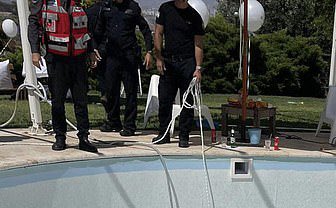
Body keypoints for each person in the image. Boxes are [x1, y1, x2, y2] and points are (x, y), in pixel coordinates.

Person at [28, 0, 100, 153]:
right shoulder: (45, 2)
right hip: (56, 58)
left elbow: (87, 29)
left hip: (78, 58)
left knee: (81, 99)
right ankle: (60, 136)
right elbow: (34, 24)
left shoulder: (79, 3)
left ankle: (83, 137)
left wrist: (92, 50)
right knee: (58, 100)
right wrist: (35, 50)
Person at [95, 0, 153, 135]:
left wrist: (149, 51)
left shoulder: (132, 7)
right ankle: (113, 121)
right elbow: (98, 30)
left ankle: (129, 125)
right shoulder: (106, 7)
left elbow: (145, 29)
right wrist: (95, 48)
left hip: (129, 55)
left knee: (130, 91)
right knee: (110, 90)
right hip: (112, 55)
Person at [152, 0, 205, 148]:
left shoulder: (194, 16)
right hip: (168, 60)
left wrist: (198, 68)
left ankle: (184, 136)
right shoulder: (165, 9)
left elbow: (198, 44)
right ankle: (163, 133)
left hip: (187, 62)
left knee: (187, 102)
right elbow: (158, 32)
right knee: (164, 100)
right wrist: (158, 57)